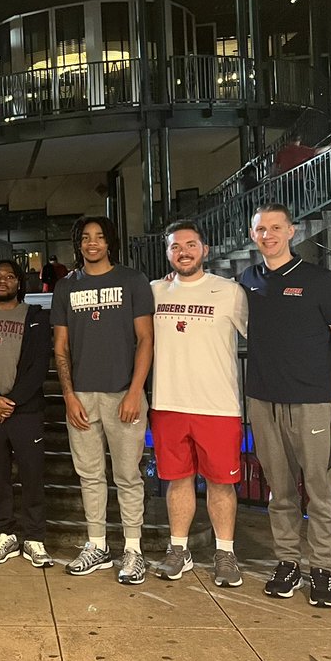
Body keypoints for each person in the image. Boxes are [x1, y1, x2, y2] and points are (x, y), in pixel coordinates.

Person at [240, 204, 331, 608]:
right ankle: (288, 561)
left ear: (291, 231)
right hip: (263, 399)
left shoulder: (318, 280)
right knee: (280, 490)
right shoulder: (247, 279)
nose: (268, 235)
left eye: (276, 227)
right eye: (261, 229)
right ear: (252, 234)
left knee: (321, 488)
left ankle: (322, 567)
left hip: (313, 401)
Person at [51, 216, 154, 585]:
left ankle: (133, 550)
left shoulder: (132, 281)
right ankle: (97, 545)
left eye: (99, 237)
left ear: (109, 242)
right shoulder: (65, 287)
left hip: (123, 393)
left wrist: (133, 392)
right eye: (85, 238)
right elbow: (60, 347)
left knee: (128, 475)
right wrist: (68, 395)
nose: (92, 243)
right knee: (89, 475)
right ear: (77, 244)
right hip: (81, 396)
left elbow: (146, 340)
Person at [149, 221, 248, 588]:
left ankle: (225, 553)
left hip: (218, 406)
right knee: (177, 481)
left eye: (191, 245)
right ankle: (179, 549)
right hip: (168, 402)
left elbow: (264, 337)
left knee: (222, 483)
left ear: (205, 250)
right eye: (176, 247)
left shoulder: (231, 292)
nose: (184, 252)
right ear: (168, 254)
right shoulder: (154, 291)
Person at [0, 259, 54, 567]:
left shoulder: (36, 317)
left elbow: (40, 365)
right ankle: (5, 534)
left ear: (19, 282)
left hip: (25, 412)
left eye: (9, 276)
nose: (3, 281)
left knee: (31, 475)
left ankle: (34, 538)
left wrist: (11, 401)